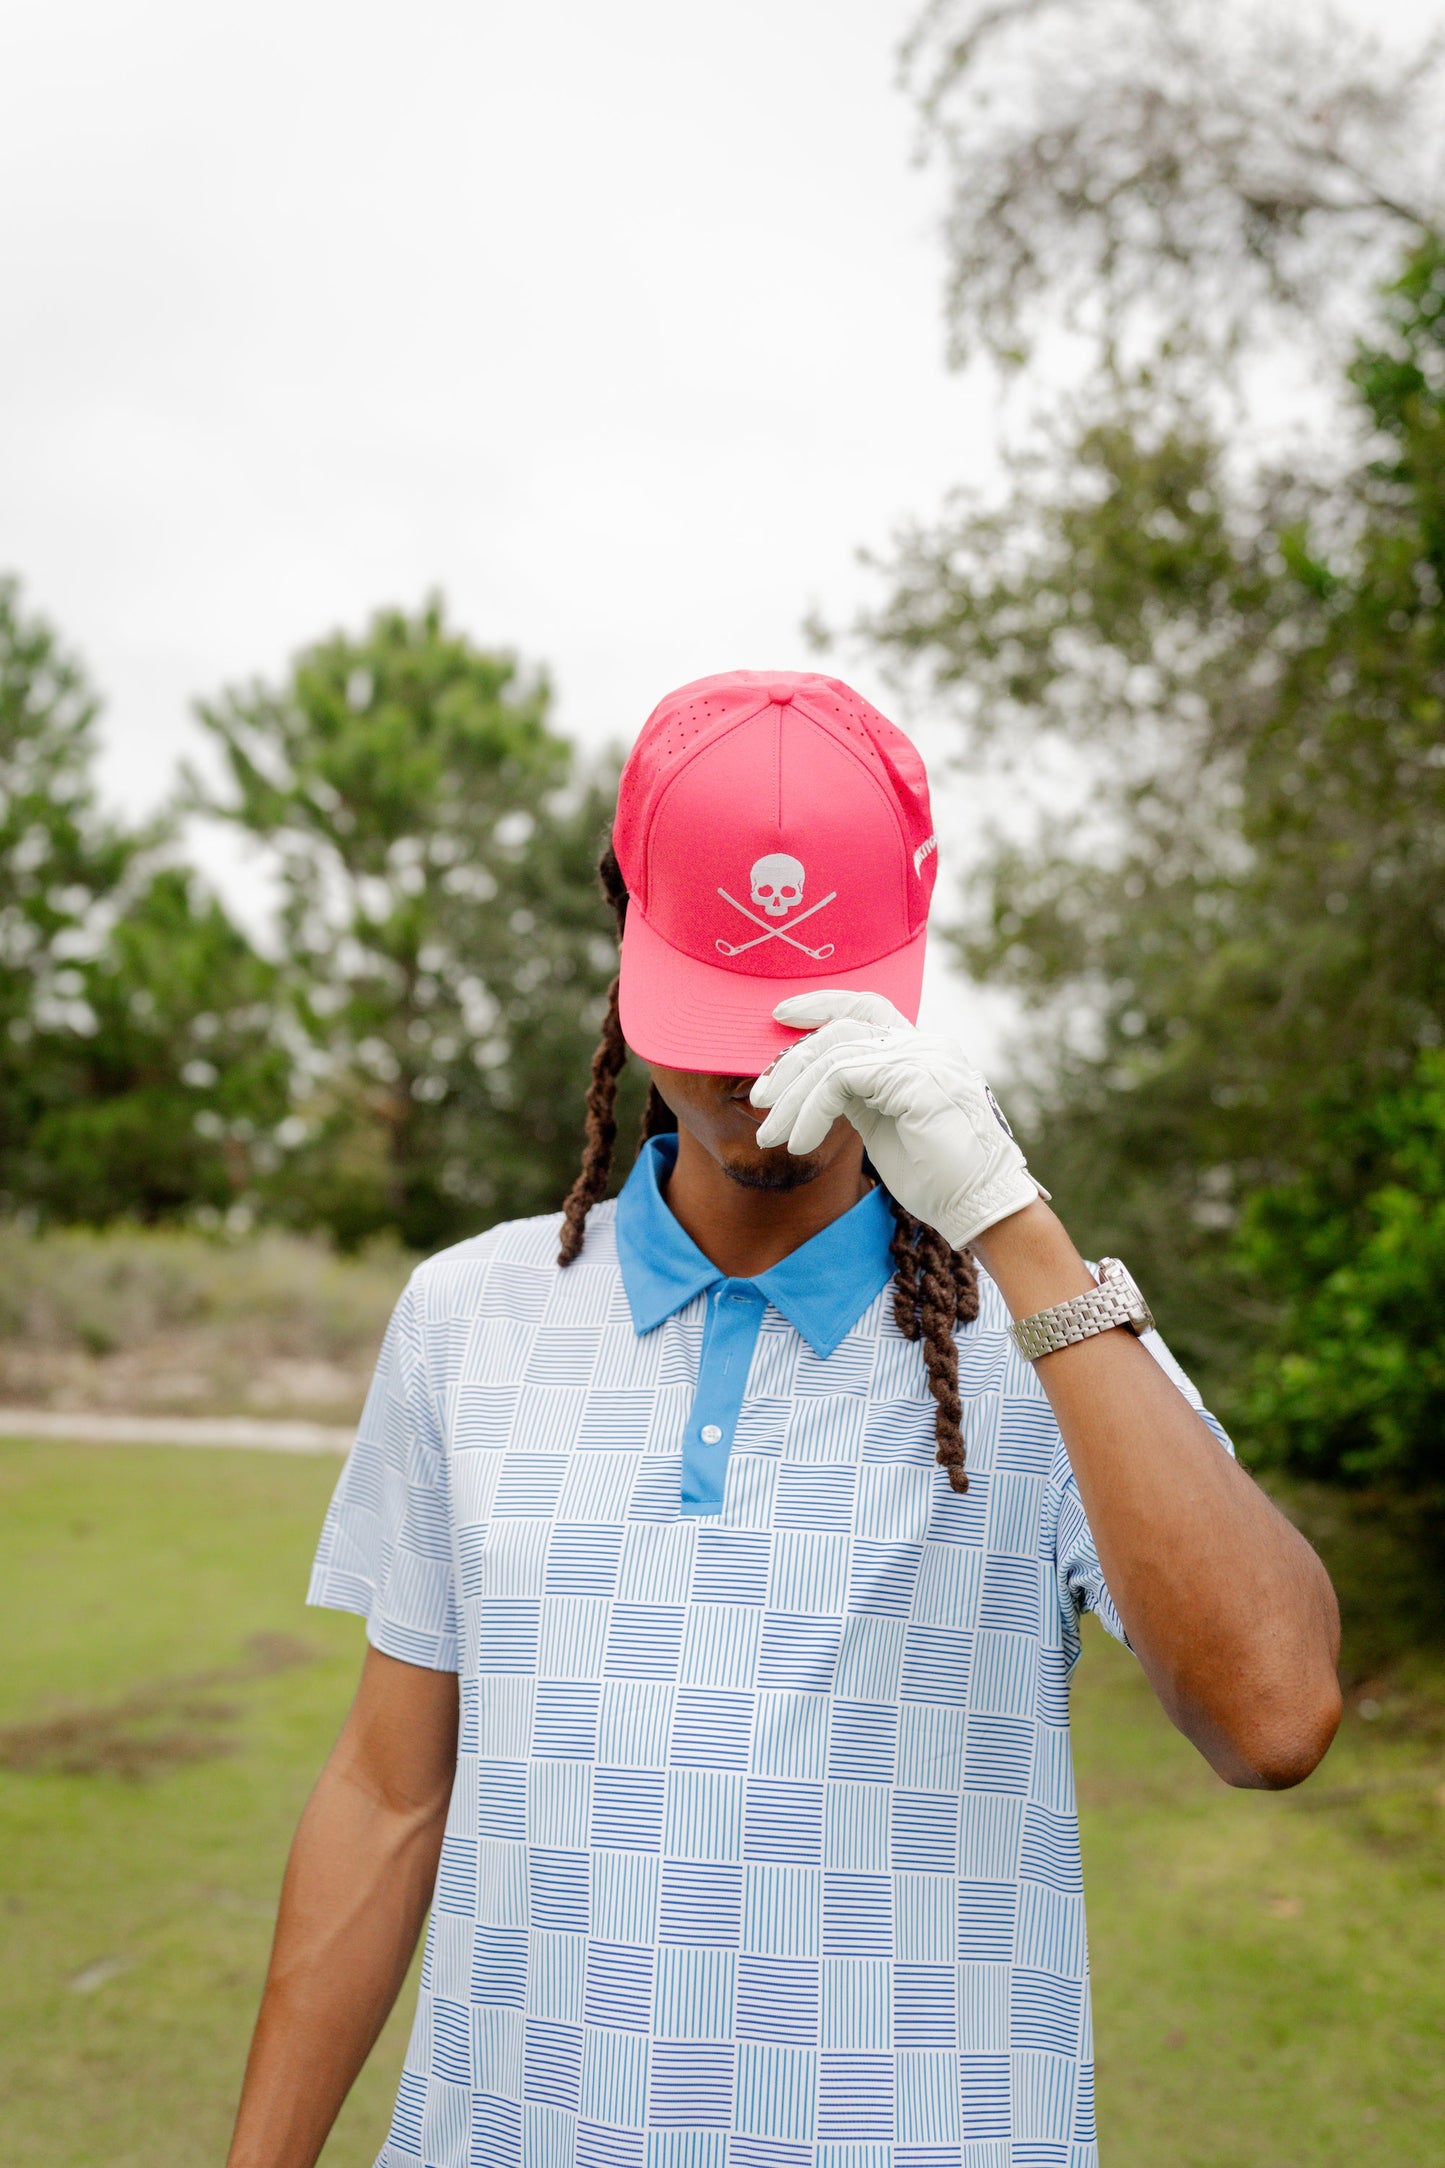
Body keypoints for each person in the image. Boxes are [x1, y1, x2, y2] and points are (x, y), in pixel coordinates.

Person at [225, 670, 1341, 2168]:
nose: (753, 1075)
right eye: (714, 1006)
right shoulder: (466, 1317)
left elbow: (1274, 1719)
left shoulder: (1054, 1334)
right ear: (627, 927)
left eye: (794, 1011)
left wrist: (1008, 1219)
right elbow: (381, 1792)